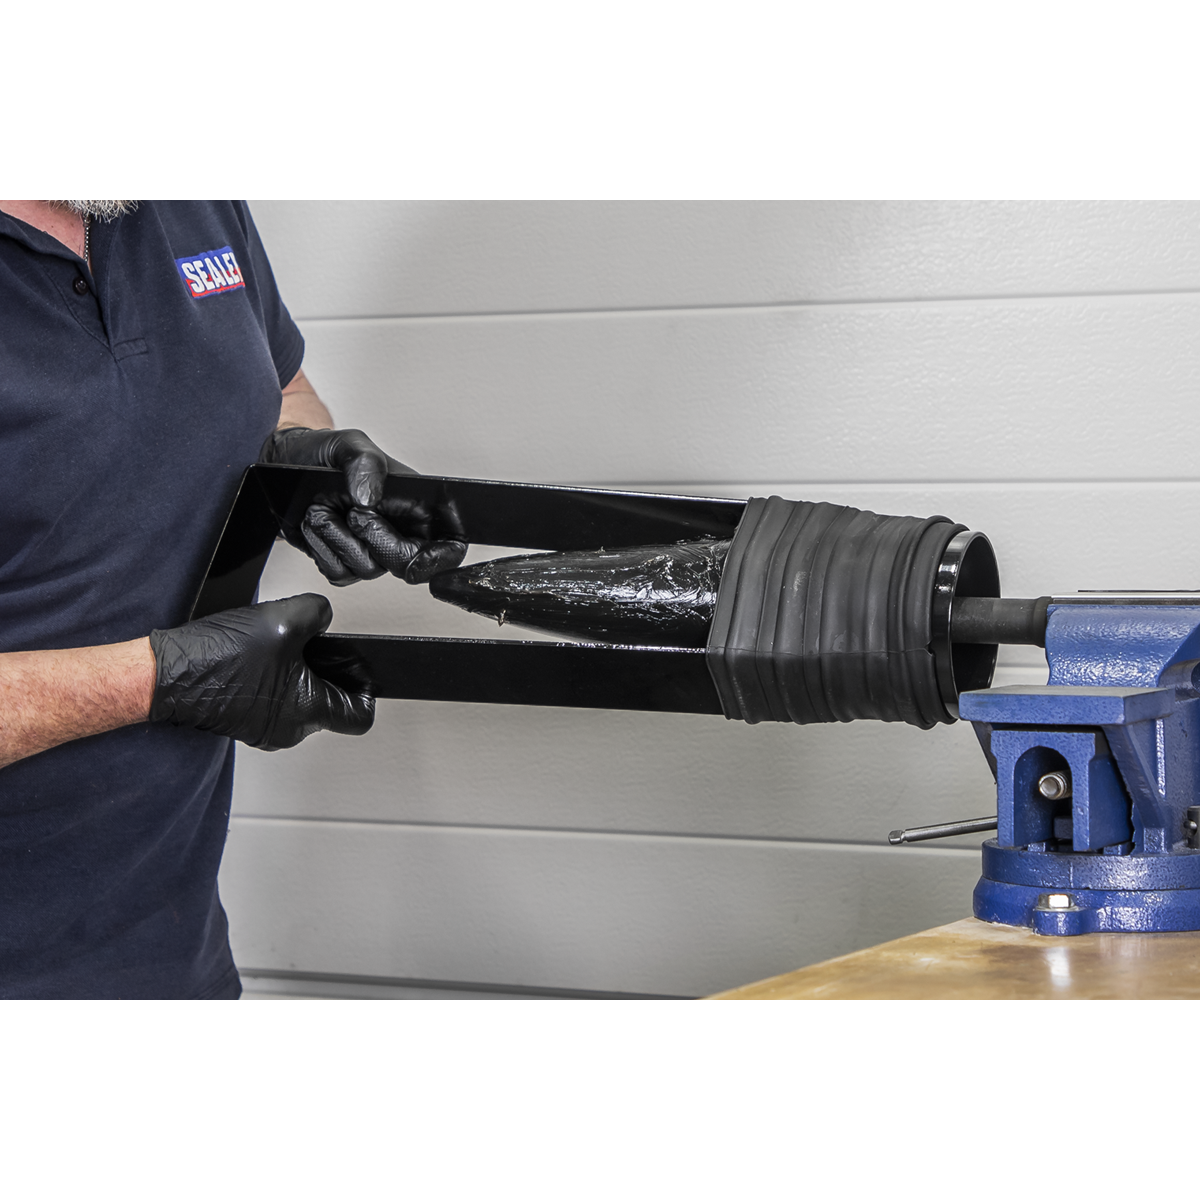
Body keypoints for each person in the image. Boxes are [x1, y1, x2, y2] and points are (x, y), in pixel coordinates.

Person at [0, 200, 465, 999]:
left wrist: (297, 468)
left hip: (167, 945)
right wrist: (158, 681)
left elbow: (278, 388)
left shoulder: (179, 198)